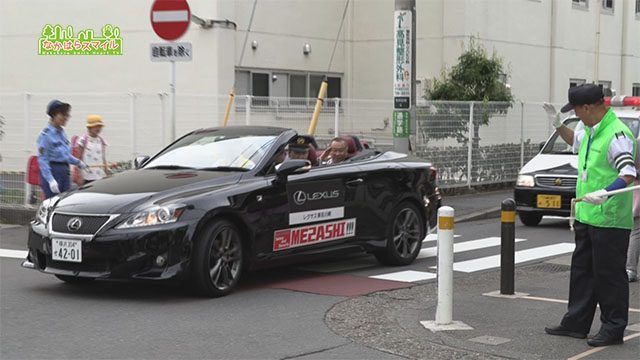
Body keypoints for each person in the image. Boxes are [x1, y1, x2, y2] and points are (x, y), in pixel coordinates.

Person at [542, 84, 636, 347]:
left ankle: (613, 328)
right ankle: (576, 323)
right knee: (583, 273)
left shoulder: (617, 134)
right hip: (587, 215)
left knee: (609, 276)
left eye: (577, 111)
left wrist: (606, 192)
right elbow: (575, 140)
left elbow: (627, 173)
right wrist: (558, 125)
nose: (577, 116)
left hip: (609, 218)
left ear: (588, 107)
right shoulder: (593, 131)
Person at [37, 99, 88, 199]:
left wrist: (78, 162)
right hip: (52, 171)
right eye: (63, 115)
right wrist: (50, 179)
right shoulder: (46, 135)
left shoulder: (62, 133)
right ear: (54, 115)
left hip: (64, 171)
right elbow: (43, 160)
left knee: (65, 203)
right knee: (51, 204)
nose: (66, 118)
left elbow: (65, 155)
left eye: (67, 115)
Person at [73, 115, 108, 185]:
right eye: (96, 126)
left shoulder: (101, 140)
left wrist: (106, 173)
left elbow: (103, 158)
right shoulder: (82, 140)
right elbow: (77, 159)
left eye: (99, 126)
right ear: (89, 127)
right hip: (86, 177)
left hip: (100, 176)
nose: (98, 128)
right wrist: (79, 175)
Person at [627, 135, 640, 283]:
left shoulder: (635, 143)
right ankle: (630, 268)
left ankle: (631, 268)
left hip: (636, 191)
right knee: (636, 232)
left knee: (636, 232)